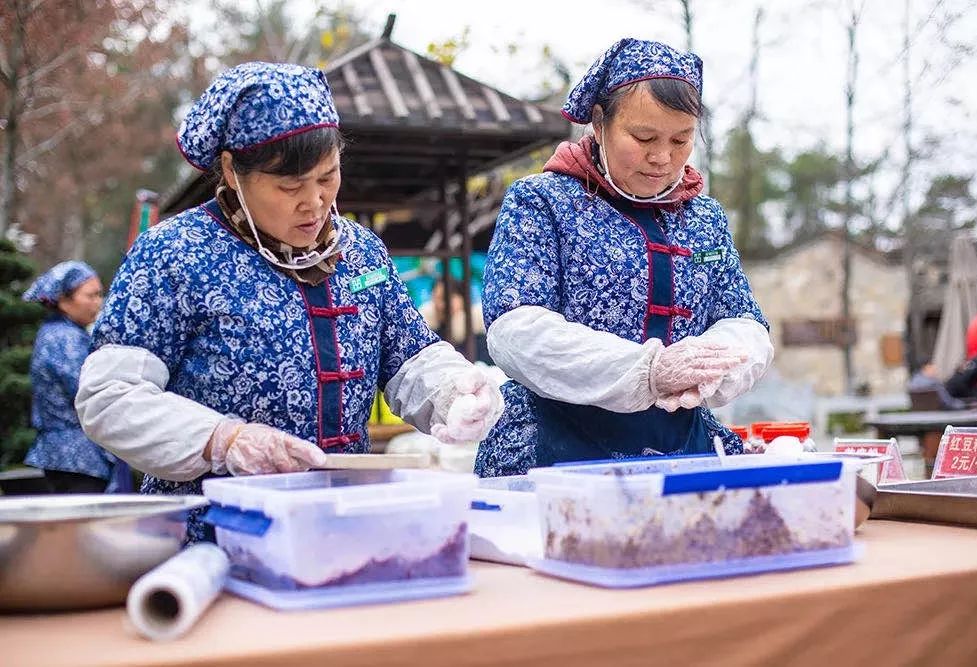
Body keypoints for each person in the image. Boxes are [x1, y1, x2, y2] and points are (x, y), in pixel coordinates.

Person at [76, 62, 503, 541]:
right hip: (212, 538)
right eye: (289, 186)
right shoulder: (173, 253)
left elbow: (408, 357)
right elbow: (109, 398)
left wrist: (450, 393)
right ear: (232, 172)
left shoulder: (360, 250)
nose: (315, 203)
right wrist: (224, 440)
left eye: (327, 177)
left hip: (343, 527)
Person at [475, 39, 773, 476]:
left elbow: (745, 322)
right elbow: (516, 331)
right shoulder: (542, 202)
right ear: (599, 123)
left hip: (681, 451)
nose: (662, 157)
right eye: (643, 137)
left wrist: (711, 365)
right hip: (555, 452)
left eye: (681, 139)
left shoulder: (704, 217)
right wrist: (647, 371)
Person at [22, 261, 113, 493]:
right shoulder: (65, 340)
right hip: (77, 457)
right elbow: (88, 391)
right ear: (63, 299)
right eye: (90, 296)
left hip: (67, 455)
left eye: (99, 295)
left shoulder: (58, 332)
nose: (98, 303)